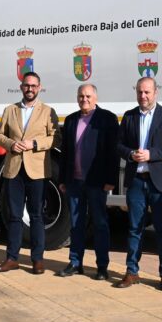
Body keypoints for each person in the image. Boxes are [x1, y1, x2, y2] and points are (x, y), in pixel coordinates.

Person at [115, 76, 162, 290]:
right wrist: (131, 153)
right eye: (140, 92)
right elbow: (119, 145)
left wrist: (151, 155)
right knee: (134, 228)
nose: (143, 96)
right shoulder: (130, 116)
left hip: (159, 181)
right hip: (136, 181)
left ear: (155, 92)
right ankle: (132, 272)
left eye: (147, 92)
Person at [0, 71, 60, 274]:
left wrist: (34, 143)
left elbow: (55, 139)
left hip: (37, 171)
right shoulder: (10, 110)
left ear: (39, 88)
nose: (30, 89)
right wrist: (11, 144)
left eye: (33, 86)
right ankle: (11, 258)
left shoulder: (48, 111)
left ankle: (37, 259)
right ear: (21, 87)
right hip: (14, 169)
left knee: (36, 216)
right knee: (14, 216)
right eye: (26, 85)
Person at [57, 84, 119, 281]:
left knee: (100, 223)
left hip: (97, 182)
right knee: (76, 223)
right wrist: (63, 179)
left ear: (96, 97)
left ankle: (102, 266)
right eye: (81, 96)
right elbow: (65, 152)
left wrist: (111, 180)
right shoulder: (70, 120)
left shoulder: (107, 119)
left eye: (88, 96)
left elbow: (113, 152)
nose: (84, 99)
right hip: (74, 182)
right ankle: (75, 262)